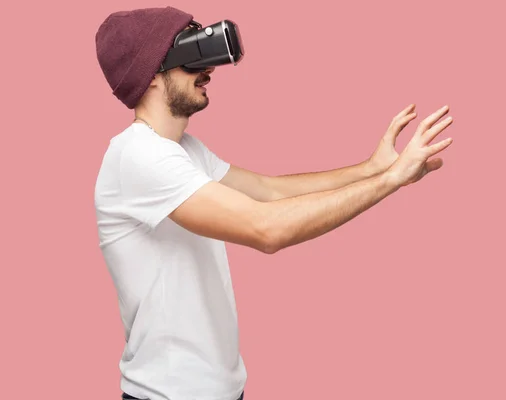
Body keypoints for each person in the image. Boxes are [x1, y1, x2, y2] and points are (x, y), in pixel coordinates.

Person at [93, 6, 454, 400]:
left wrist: (371, 168)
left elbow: (270, 191)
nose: (209, 71)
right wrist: (391, 180)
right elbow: (267, 228)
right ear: (151, 77)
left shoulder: (183, 151)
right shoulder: (139, 157)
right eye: (191, 60)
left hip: (220, 391)